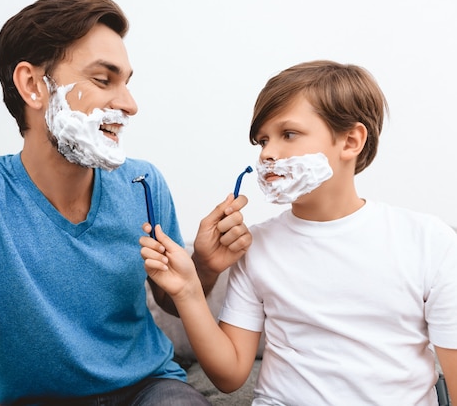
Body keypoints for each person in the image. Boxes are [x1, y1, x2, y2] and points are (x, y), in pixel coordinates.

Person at [0, 0, 251, 406]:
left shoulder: (142, 182)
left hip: (150, 388)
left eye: (127, 82)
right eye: (103, 79)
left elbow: (170, 299)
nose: (129, 104)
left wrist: (202, 268)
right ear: (32, 85)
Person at [140, 60, 457, 405]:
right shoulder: (256, 246)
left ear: (350, 141)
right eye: (262, 140)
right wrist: (188, 290)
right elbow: (229, 375)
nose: (268, 154)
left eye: (288, 134)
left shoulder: (428, 241)